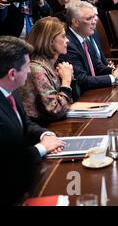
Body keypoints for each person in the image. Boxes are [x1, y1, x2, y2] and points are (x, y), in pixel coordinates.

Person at [0, 36, 65, 205]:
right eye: (27, 66)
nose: (29, 71)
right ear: (12, 74)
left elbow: (25, 125)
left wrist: (45, 135)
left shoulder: (10, 91)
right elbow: (7, 163)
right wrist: (41, 148)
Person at [59, 1, 118, 92]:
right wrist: (113, 78)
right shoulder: (68, 45)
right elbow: (82, 80)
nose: (94, 22)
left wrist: (113, 71)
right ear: (75, 22)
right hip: (83, 98)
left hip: (95, 91)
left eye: (94, 17)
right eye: (89, 19)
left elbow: (97, 66)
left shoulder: (86, 37)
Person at [17, 17, 75, 126]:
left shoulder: (54, 65)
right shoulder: (36, 70)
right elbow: (55, 111)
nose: (67, 40)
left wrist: (69, 79)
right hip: (41, 131)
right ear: (50, 41)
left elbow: (72, 100)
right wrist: (66, 82)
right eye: (63, 36)